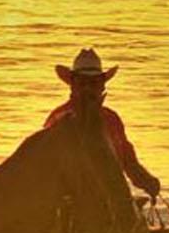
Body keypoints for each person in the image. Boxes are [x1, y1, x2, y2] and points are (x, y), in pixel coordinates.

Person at [45, 49, 161, 201]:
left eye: (93, 83)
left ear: (102, 87)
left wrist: (148, 181)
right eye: (83, 83)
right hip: (70, 202)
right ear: (73, 85)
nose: (88, 89)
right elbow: (46, 170)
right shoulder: (58, 120)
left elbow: (129, 163)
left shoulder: (112, 119)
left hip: (111, 198)